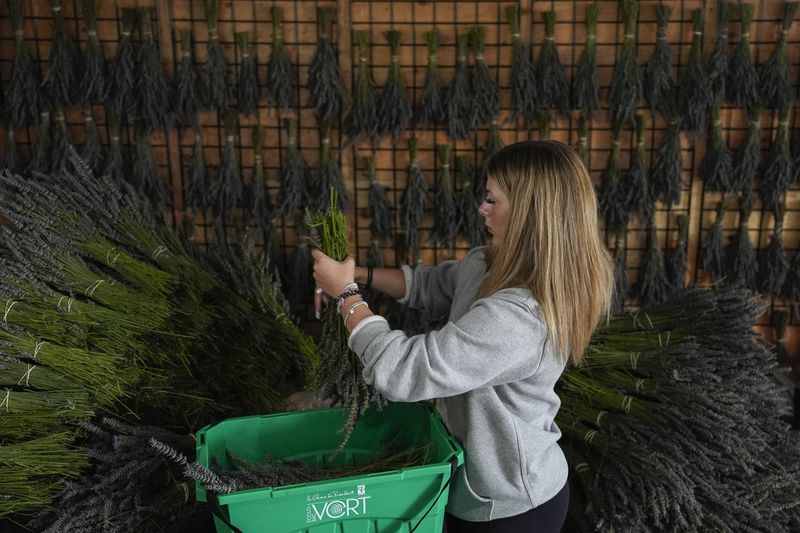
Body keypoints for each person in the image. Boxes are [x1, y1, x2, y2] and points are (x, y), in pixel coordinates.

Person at [311, 140, 614, 533]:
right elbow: (429, 285)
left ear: (529, 214)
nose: (481, 209)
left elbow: (403, 370)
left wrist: (346, 297)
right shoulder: (487, 263)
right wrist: (356, 275)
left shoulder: (519, 319)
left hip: (510, 508)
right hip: (476, 491)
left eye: (492, 200)